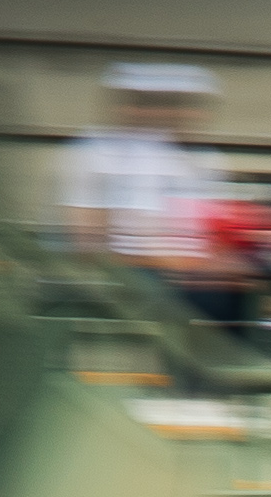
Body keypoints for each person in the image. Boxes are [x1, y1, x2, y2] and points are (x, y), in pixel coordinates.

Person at [51, 63, 252, 330]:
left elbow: (210, 234)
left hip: (184, 275)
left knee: (247, 292)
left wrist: (226, 264)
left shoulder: (203, 160)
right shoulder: (93, 154)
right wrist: (180, 264)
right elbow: (87, 242)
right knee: (209, 300)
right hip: (125, 275)